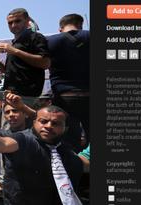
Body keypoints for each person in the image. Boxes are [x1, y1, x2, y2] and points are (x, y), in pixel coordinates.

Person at [0, 105, 83, 205]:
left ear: (65, 128)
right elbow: (1, 143)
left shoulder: (68, 151)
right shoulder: (23, 139)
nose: (48, 126)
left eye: (55, 123)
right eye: (43, 121)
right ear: (34, 122)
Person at [47, 14, 90, 152]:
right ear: (80, 25)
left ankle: (72, 170)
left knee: (68, 140)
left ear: (60, 28)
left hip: (64, 97)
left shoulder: (51, 41)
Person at [0, 8, 50, 100]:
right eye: (10, 23)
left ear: (27, 21)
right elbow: (9, 72)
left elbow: (45, 63)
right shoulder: (14, 43)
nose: (13, 25)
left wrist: (15, 51)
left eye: (17, 21)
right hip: (10, 94)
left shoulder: (36, 37)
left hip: (28, 96)